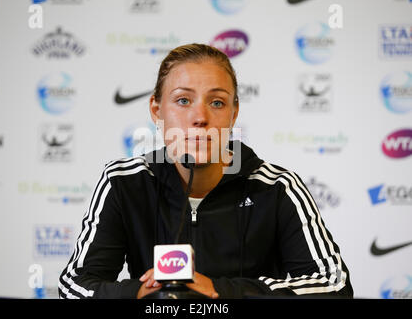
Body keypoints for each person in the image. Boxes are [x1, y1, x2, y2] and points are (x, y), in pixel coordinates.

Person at [58, 43, 353, 299]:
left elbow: (334, 286)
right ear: (156, 110)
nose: (200, 117)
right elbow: (73, 287)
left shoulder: (277, 187)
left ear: (233, 113)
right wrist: (138, 291)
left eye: (217, 102)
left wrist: (219, 291)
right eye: (183, 100)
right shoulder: (124, 182)